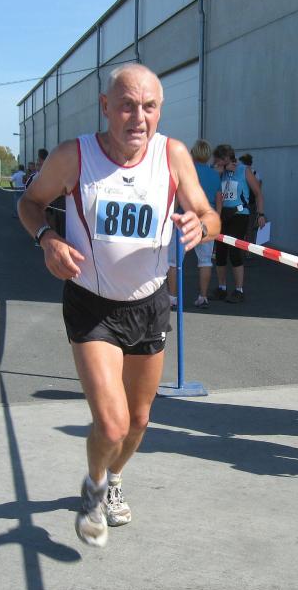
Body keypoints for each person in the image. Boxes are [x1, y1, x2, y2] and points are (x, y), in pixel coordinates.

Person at [17, 63, 220, 547]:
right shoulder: (74, 156)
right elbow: (29, 203)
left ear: (160, 110)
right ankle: (93, 486)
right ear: (106, 107)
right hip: (91, 305)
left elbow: (209, 214)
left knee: (140, 420)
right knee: (112, 424)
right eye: (127, 106)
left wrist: (202, 225)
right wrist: (47, 238)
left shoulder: (172, 155)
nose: (138, 118)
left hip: (149, 305)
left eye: (149, 107)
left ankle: (114, 478)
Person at [167, 139, 222, 309]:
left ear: (193, 153)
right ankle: (203, 296)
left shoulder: (187, 171)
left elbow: (177, 197)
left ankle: (172, 298)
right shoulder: (215, 175)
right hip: (205, 222)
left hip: (184, 221)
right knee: (205, 261)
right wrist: (216, 221)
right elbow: (219, 201)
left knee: (174, 261)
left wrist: (170, 218)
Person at [211, 144, 265, 303]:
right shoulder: (218, 171)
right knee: (220, 253)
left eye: (220, 159)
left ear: (227, 158)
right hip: (222, 215)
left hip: (239, 214)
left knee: (235, 252)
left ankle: (239, 290)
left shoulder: (244, 170)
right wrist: (217, 173)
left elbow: (258, 193)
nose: (217, 162)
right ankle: (221, 288)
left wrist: (261, 214)